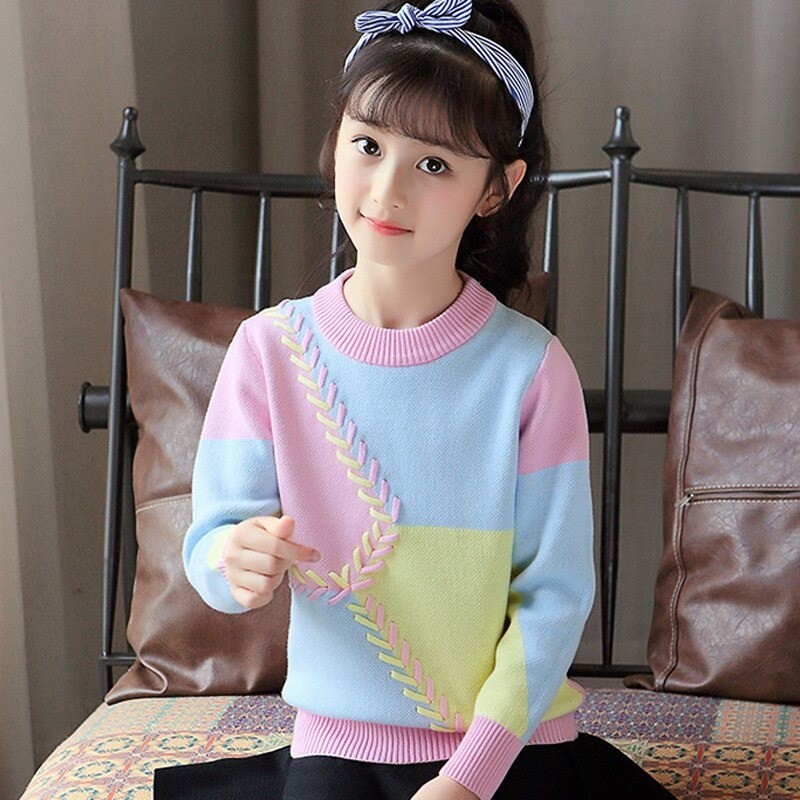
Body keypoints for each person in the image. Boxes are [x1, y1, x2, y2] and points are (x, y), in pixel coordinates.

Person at [155, 1, 675, 798]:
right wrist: (233, 558)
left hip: (508, 746)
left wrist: (469, 777)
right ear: (336, 142)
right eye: (368, 145)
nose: (387, 190)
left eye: (434, 165)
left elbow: (554, 599)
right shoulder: (268, 351)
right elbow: (215, 543)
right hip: (337, 741)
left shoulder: (531, 371)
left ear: (496, 188)